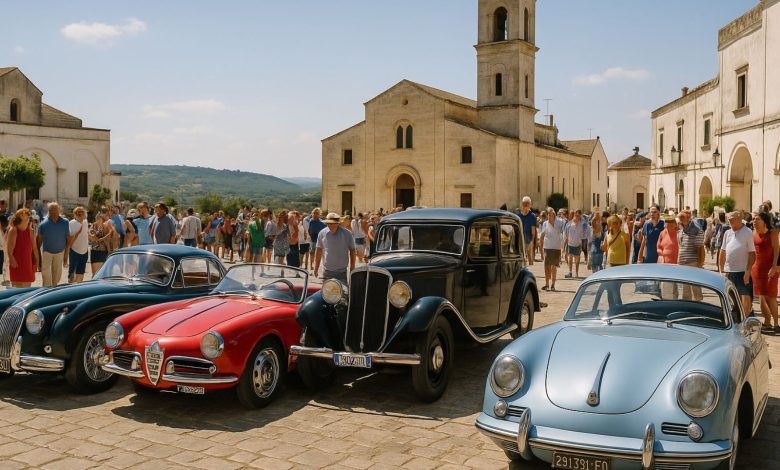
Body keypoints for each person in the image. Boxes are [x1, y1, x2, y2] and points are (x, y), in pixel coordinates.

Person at [719, 211, 756, 316]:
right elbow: (723, 252)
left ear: (739, 219)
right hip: (729, 271)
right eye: (728, 219)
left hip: (742, 271)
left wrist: (748, 271)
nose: (729, 221)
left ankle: (746, 320)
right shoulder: (727, 233)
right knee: (732, 298)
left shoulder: (747, 232)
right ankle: (737, 320)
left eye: (732, 219)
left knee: (746, 297)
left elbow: (752, 254)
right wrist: (721, 270)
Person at [752, 211, 779, 333]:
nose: (754, 221)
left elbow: (777, 251)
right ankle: (767, 321)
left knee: (771, 296)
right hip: (757, 269)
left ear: (764, 221)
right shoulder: (753, 234)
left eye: (757, 219)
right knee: (761, 296)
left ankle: (776, 324)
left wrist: (774, 267)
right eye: (754, 219)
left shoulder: (773, 233)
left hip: (770, 269)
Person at [313, 212, 356, 283]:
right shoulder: (322, 233)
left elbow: (353, 251)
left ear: (338, 223)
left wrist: (352, 268)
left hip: (341, 272)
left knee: (342, 293)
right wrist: (316, 268)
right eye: (328, 223)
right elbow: (318, 251)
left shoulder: (347, 234)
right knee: (326, 293)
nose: (330, 225)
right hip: (326, 271)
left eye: (332, 223)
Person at [36, 202, 72, 287]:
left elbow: (68, 241)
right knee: (46, 278)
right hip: (46, 253)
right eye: (51, 210)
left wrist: (66, 257)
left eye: (55, 209)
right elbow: (38, 242)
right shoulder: (43, 224)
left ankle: (53, 291)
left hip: (60, 253)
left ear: (59, 210)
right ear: (49, 211)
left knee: (56, 278)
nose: (53, 212)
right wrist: (38, 259)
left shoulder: (65, 222)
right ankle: (45, 293)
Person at [677, 209, 706, 300]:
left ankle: (698, 308)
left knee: (695, 286)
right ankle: (687, 307)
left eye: (682, 218)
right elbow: (681, 246)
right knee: (685, 288)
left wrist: (700, 263)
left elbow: (700, 247)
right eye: (680, 218)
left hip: (693, 262)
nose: (680, 220)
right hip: (683, 263)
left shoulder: (696, 229)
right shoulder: (681, 229)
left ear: (688, 218)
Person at [7, 208, 38, 288]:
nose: (27, 217)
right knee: (17, 288)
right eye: (24, 215)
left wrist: (37, 261)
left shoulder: (30, 230)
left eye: (27, 215)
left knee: (27, 286)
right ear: (19, 217)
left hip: (28, 263)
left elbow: (34, 248)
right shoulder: (13, 230)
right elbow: (9, 249)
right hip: (17, 263)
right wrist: (11, 259)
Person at [539, 207, 564, 291]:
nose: (550, 215)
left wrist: (563, 247)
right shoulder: (545, 224)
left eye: (552, 214)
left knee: (554, 266)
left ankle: (553, 284)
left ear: (554, 214)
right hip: (547, 247)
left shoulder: (560, 222)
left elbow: (564, 232)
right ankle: (547, 283)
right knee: (546, 266)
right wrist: (540, 246)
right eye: (549, 214)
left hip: (556, 247)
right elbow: (542, 235)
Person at [68, 207, 89, 283]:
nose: (81, 215)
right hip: (74, 251)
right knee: (72, 274)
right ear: (75, 214)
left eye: (82, 213)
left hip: (84, 251)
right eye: (79, 213)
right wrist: (78, 233)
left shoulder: (85, 222)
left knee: (81, 273)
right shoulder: (71, 223)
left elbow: (86, 235)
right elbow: (69, 240)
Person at [563, 210, 586, 278]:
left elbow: (585, 231)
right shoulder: (570, 224)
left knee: (577, 260)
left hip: (577, 244)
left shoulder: (582, 224)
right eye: (575, 215)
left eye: (578, 216)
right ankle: (570, 272)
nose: (576, 217)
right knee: (570, 259)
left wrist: (582, 243)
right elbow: (566, 235)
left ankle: (576, 273)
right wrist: (564, 246)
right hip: (570, 244)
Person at [517, 197, 537, 266]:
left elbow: (533, 232)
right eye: (524, 204)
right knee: (521, 257)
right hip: (520, 239)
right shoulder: (518, 215)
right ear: (522, 204)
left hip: (529, 239)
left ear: (530, 205)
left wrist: (532, 242)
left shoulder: (532, 216)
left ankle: (531, 272)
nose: (525, 205)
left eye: (527, 204)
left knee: (530, 257)